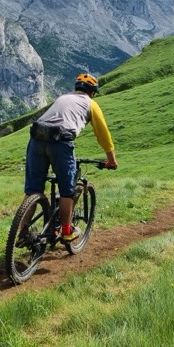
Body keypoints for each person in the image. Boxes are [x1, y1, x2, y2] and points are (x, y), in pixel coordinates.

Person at [21, 72, 117, 242]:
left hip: (36, 139)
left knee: (33, 190)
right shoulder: (91, 104)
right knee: (67, 191)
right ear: (92, 92)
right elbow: (103, 135)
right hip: (60, 143)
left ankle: (22, 231)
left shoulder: (62, 97)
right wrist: (111, 160)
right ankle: (66, 231)